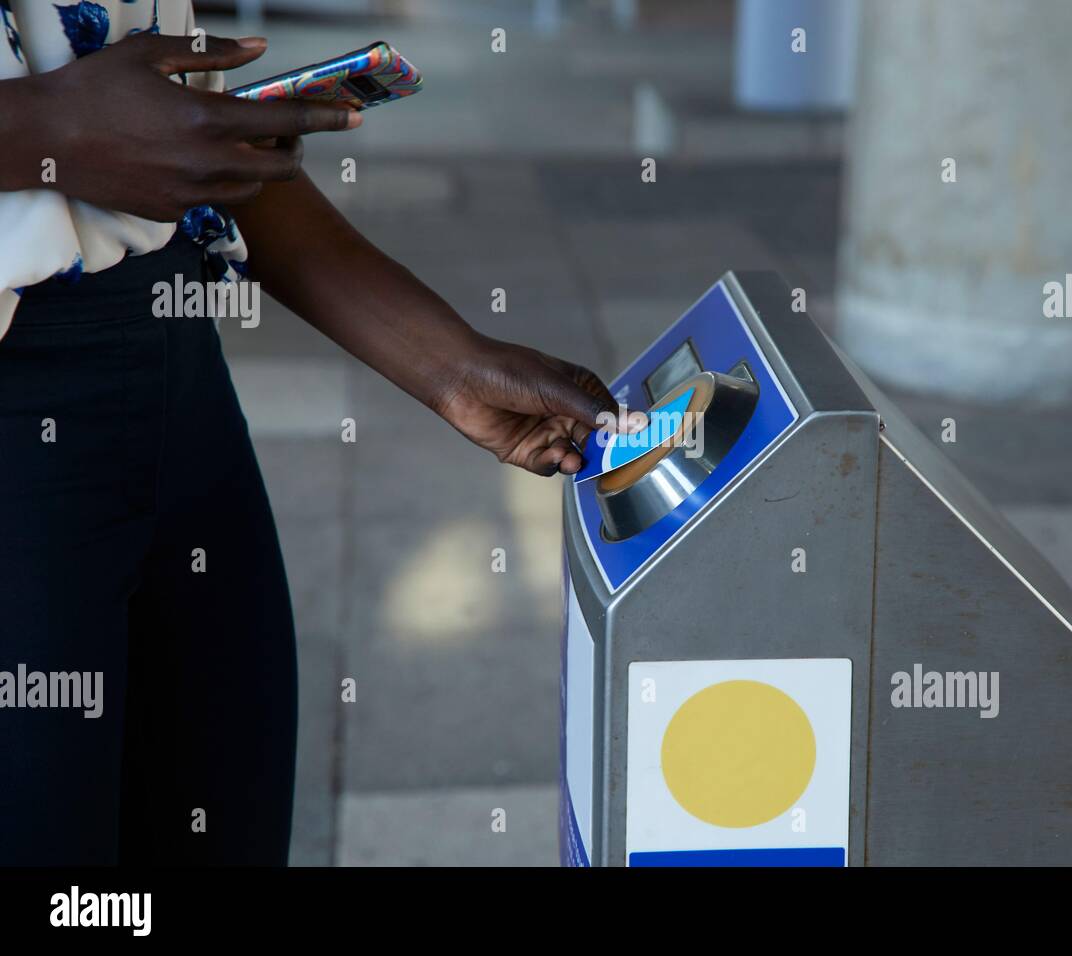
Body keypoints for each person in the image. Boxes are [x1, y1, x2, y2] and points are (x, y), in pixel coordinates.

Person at [0, 2, 629, 865]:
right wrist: (48, 127)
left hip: (175, 374)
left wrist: (447, 365)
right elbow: (97, 134)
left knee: (226, 816)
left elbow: (159, 150)